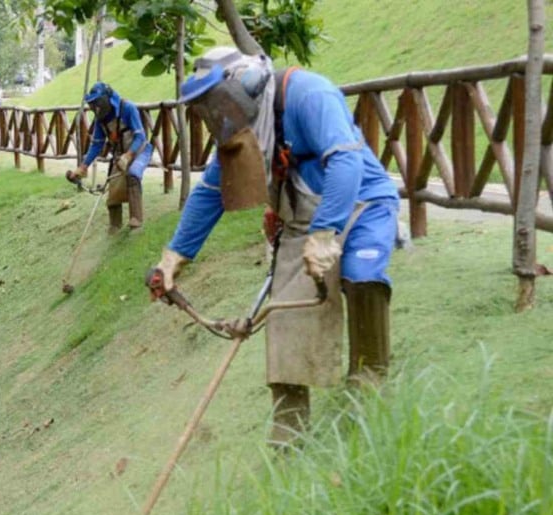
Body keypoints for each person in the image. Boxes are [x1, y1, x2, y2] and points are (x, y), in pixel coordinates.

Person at [150, 47, 400, 446]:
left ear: (245, 85)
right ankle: (289, 437)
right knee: (284, 327)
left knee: (362, 277)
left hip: (361, 205)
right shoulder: (239, 133)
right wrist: (173, 257)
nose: (214, 114)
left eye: (216, 101)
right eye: (204, 107)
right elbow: (210, 193)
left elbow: (346, 163)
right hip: (301, 222)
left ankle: (368, 387)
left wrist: (325, 236)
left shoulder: (308, 94)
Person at [70, 82, 153, 233]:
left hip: (140, 151)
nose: (96, 108)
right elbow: (96, 145)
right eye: (93, 104)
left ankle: (136, 220)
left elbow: (140, 137)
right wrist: (82, 167)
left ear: (107, 99)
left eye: (98, 102)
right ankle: (115, 225)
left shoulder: (128, 108)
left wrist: (128, 156)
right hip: (119, 155)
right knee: (113, 188)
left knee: (133, 174)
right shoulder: (100, 120)